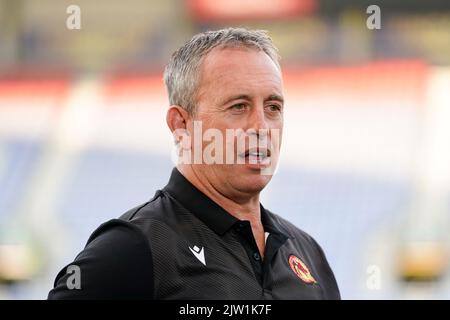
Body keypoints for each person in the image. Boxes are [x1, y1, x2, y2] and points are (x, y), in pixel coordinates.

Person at [48, 27, 340, 300]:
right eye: (239, 106)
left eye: (273, 107)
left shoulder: (307, 253)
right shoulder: (134, 248)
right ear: (182, 125)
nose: (261, 126)